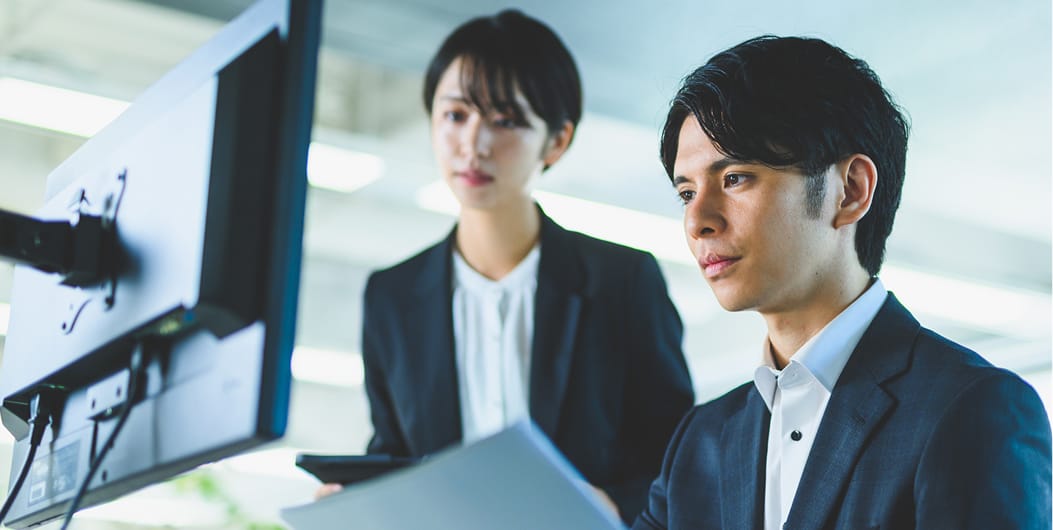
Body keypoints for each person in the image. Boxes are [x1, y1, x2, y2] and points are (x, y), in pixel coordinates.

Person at [634, 36, 1052, 530]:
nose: (697, 221)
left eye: (735, 178)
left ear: (850, 191)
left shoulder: (972, 411)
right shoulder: (699, 444)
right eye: (686, 192)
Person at [332, 10, 695, 523]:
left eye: (506, 121)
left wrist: (613, 506)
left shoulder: (622, 280)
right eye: (456, 115)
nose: (474, 145)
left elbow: (681, 460)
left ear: (557, 140)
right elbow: (395, 452)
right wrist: (357, 502)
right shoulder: (392, 297)